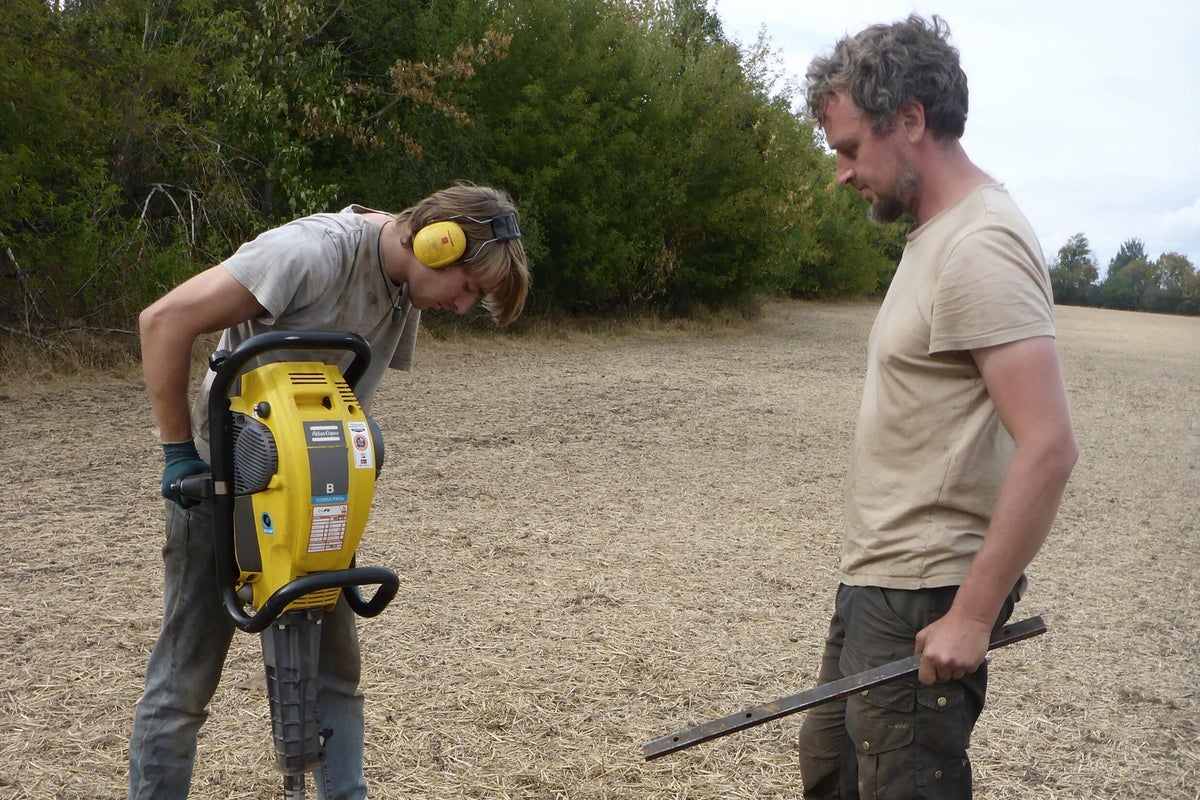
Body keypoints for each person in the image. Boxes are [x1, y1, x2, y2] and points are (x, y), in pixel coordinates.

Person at [129, 182, 530, 799]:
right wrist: (179, 453)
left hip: (315, 495)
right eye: (469, 287)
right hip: (224, 484)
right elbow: (163, 320)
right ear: (436, 242)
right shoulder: (310, 253)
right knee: (182, 686)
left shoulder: (404, 289)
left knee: (335, 677)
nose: (461, 305)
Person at [797, 16, 1078, 799]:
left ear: (912, 119)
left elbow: (1050, 444)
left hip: (925, 592)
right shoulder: (935, 235)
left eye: (851, 149)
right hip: (880, 580)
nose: (842, 174)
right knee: (833, 770)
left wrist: (974, 615)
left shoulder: (980, 245)